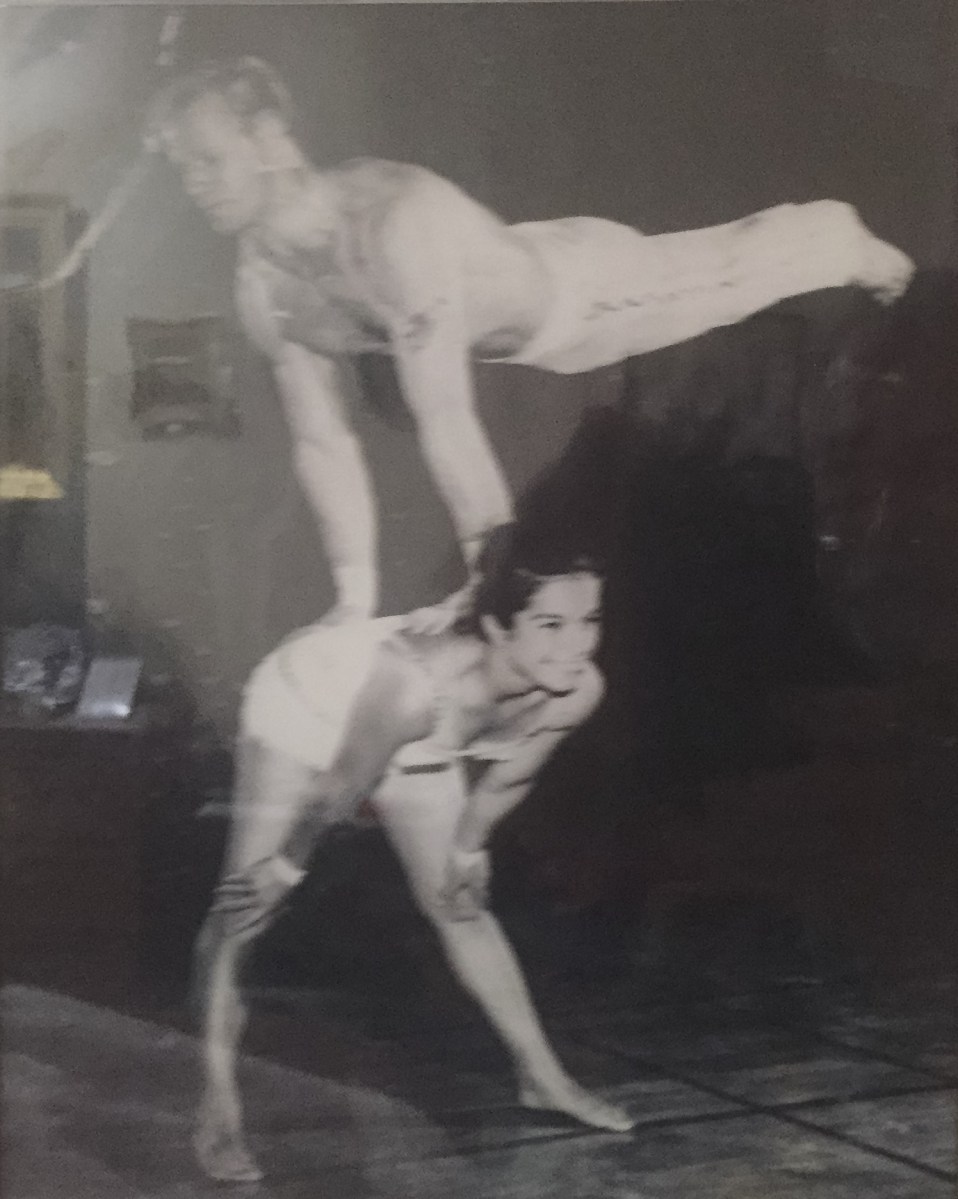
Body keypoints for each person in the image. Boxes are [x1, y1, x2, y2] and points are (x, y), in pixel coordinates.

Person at [148, 56, 916, 626]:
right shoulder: (264, 285)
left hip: (581, 295)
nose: (194, 185)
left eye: (208, 160)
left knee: (729, 272)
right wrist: (353, 600)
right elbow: (324, 444)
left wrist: (494, 578)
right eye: (183, 169)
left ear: (270, 139)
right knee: (720, 275)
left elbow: (447, 418)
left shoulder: (388, 224)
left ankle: (838, 238)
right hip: (506, 278)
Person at [193, 528, 633, 1183]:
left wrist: (469, 848)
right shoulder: (412, 687)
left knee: (462, 906)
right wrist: (283, 870)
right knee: (245, 908)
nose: (576, 645)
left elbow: (509, 778)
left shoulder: (577, 687)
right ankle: (217, 1105)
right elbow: (339, 790)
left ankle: (543, 1078)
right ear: (498, 627)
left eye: (588, 621)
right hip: (310, 706)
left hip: (417, 735)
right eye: (551, 625)